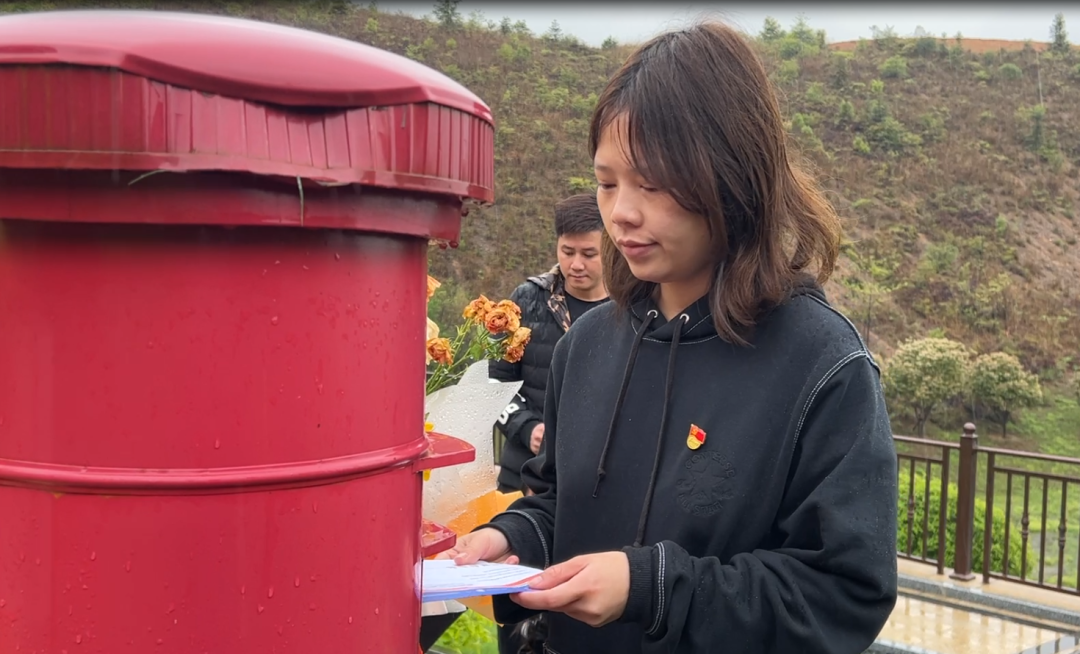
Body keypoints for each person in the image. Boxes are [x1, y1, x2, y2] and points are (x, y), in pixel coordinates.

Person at [442, 20, 898, 654]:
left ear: (734, 178)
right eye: (607, 183)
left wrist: (656, 589)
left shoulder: (823, 366)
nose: (621, 213)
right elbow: (560, 505)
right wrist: (514, 536)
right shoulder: (587, 346)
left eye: (653, 185)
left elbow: (842, 594)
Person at [490, 191, 609, 496]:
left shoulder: (632, 308)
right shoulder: (526, 301)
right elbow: (494, 383)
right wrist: (526, 427)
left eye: (589, 254)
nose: (576, 264)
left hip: (600, 478)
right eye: (567, 251)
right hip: (523, 471)